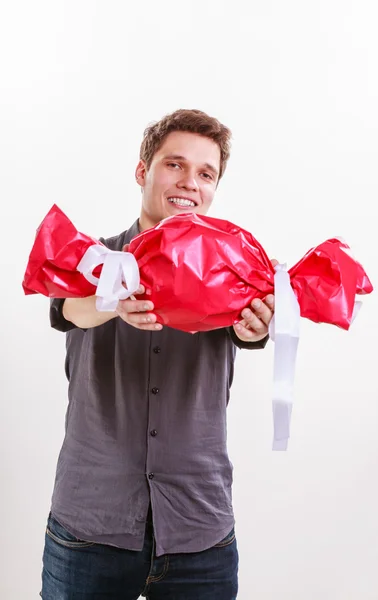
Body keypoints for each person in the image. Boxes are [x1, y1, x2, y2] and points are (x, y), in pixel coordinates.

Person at [41, 109, 275, 599]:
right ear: (142, 170)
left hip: (198, 530)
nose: (190, 183)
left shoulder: (234, 272)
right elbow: (70, 310)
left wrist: (258, 328)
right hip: (90, 527)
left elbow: (249, 333)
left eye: (205, 174)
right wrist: (112, 300)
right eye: (175, 165)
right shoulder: (94, 259)